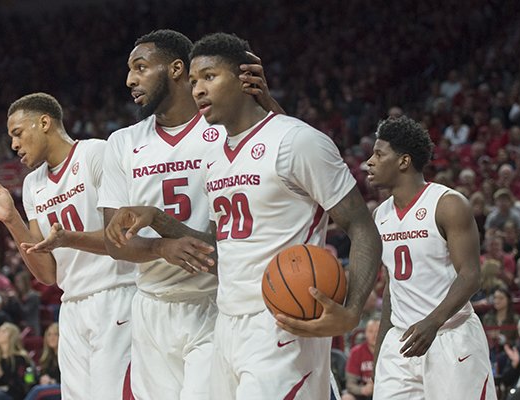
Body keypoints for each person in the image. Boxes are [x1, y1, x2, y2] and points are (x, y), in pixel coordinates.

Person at [108, 32, 381, 399]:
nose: (199, 89)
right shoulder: (217, 157)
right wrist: (159, 220)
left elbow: (362, 227)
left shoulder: (296, 140)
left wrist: (351, 312)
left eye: (209, 77)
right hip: (228, 323)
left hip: (284, 318)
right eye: (193, 81)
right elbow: (223, 251)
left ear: (244, 78)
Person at [98, 29, 282, 400]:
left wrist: (269, 103)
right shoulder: (122, 143)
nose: (130, 80)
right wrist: (160, 250)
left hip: (216, 300)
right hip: (151, 305)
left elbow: (279, 150)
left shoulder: (221, 126)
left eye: (141, 67)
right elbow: (113, 241)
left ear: (177, 69)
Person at [0, 92, 136, 400]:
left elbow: (120, 238)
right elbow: (47, 274)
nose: (13, 144)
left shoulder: (95, 153)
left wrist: (67, 238)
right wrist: (11, 219)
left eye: (18, 133)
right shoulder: (32, 185)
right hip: (71, 306)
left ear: (44, 123)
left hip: (116, 294)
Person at [365, 116, 496, 399]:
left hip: (450, 335)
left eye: (378, 154)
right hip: (400, 343)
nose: (369, 162)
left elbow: (471, 275)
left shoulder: (448, 204)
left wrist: (433, 322)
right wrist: (380, 356)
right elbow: (391, 288)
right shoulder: (380, 215)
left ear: (404, 161)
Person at [342, 318, 379, 400]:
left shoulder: (387, 352)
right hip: (362, 394)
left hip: (384, 391)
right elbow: (350, 385)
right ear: (365, 333)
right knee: (346, 398)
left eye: (377, 331)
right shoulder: (356, 352)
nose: (374, 335)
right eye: (370, 331)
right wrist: (363, 390)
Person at [24, 323, 60, 400]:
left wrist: (53, 381)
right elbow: (42, 374)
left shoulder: (65, 355)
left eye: (56, 334)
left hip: (62, 387)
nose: (52, 338)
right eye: (49, 335)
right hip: (48, 387)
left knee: (37, 391)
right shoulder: (46, 356)